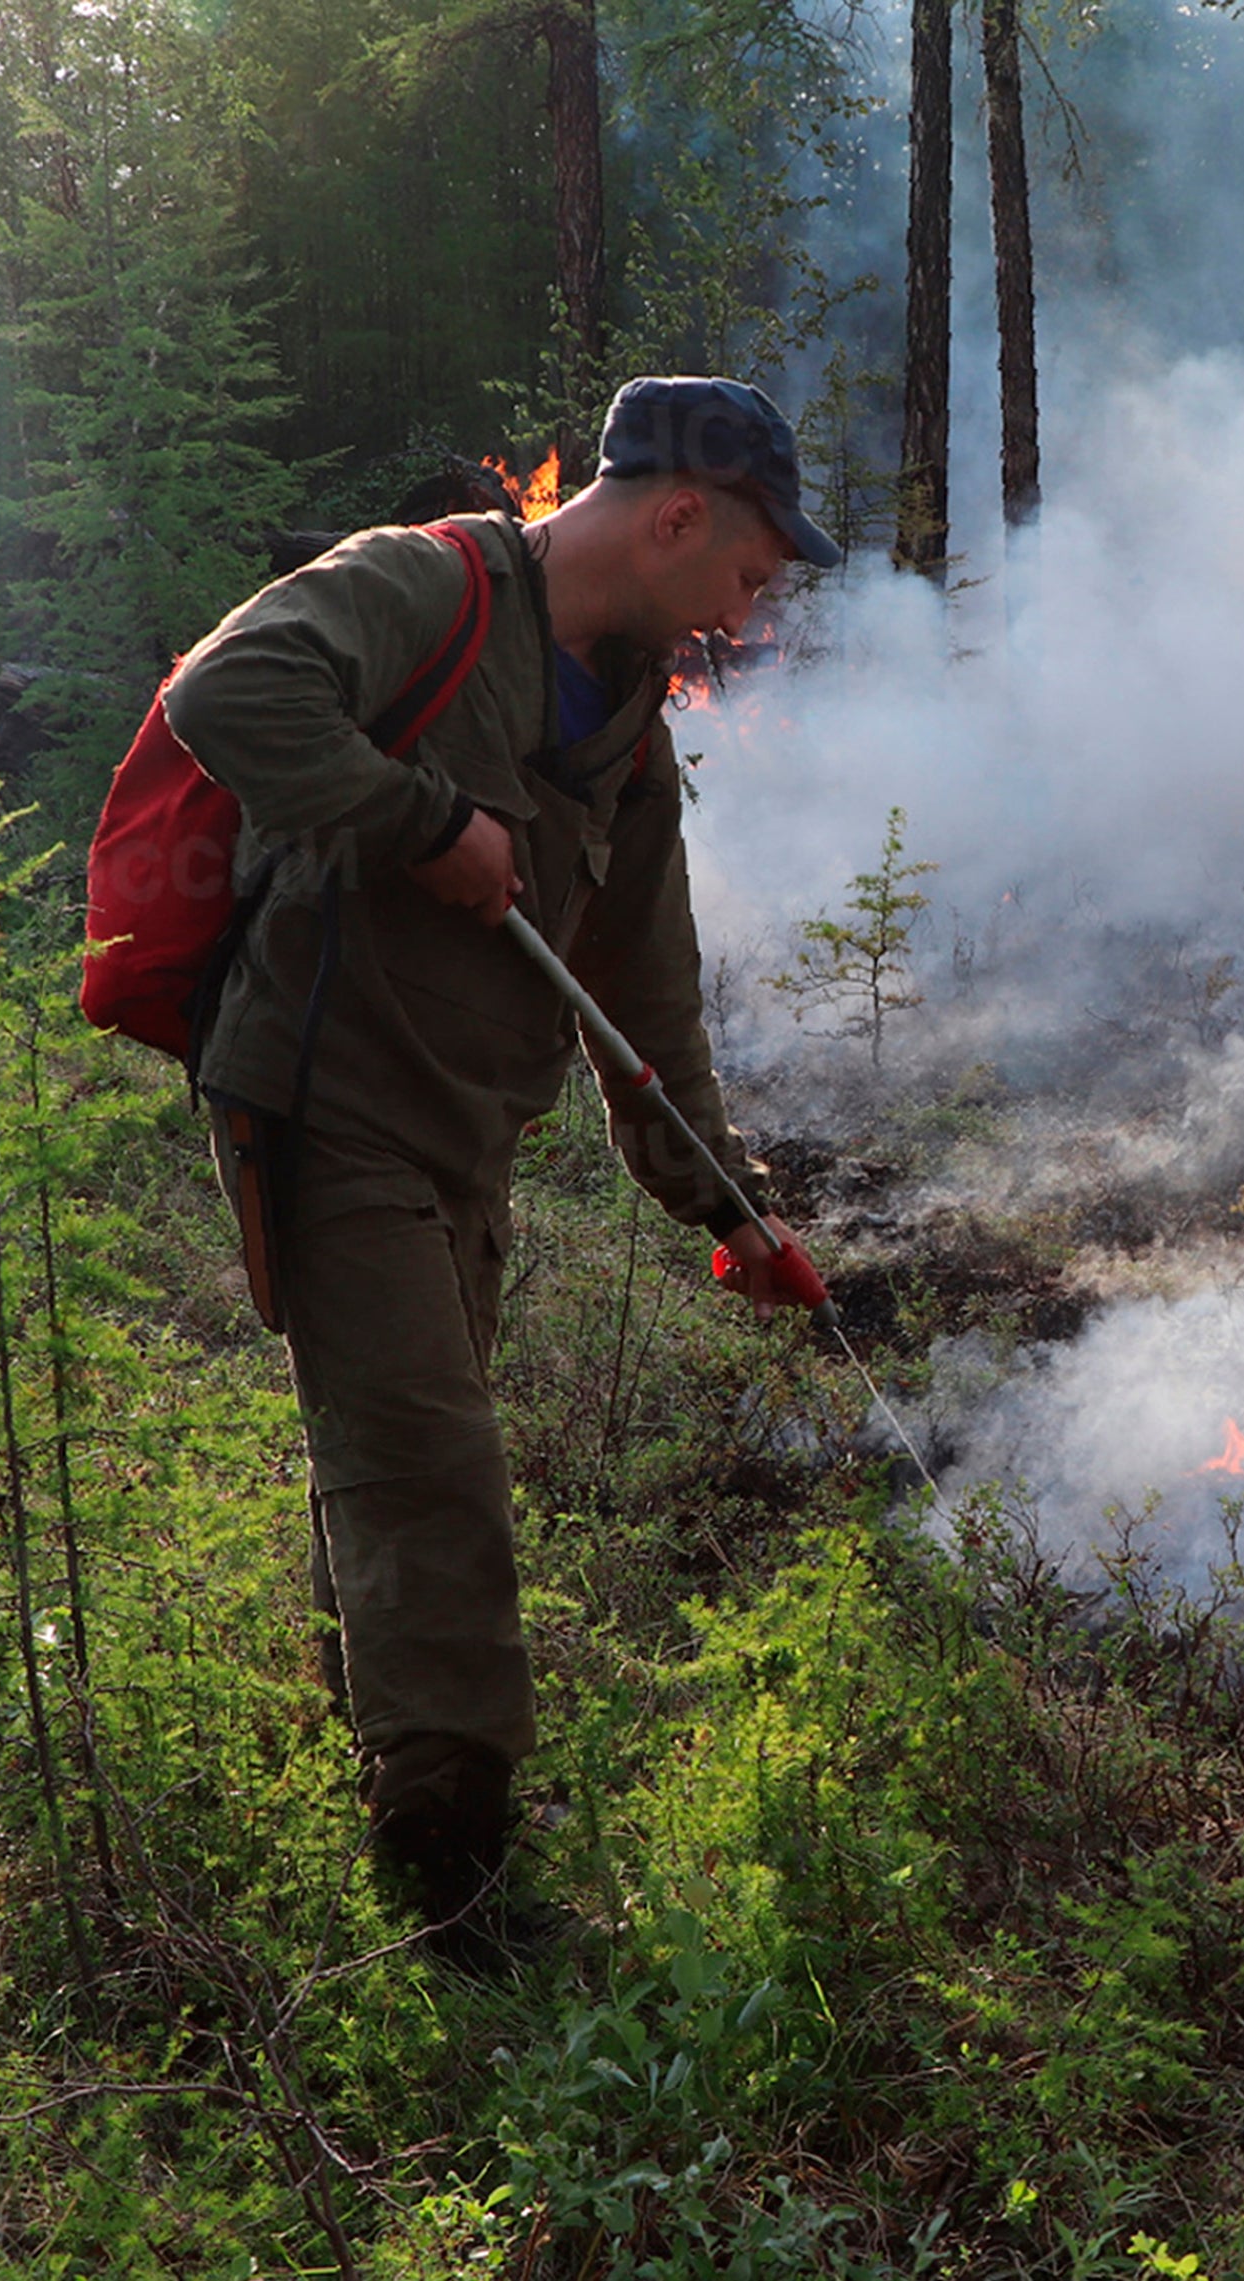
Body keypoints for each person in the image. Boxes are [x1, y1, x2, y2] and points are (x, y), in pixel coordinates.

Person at [159, 376, 844, 1958]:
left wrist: (724, 1204)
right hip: (327, 1107)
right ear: (676, 515)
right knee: (434, 1475)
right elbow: (224, 694)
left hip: (466, 1135)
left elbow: (645, 994)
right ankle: (454, 1889)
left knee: (401, 1465)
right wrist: (418, 819)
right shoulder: (426, 585)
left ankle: (394, 1775)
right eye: (747, 572)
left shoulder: (630, 713)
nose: (746, 611)